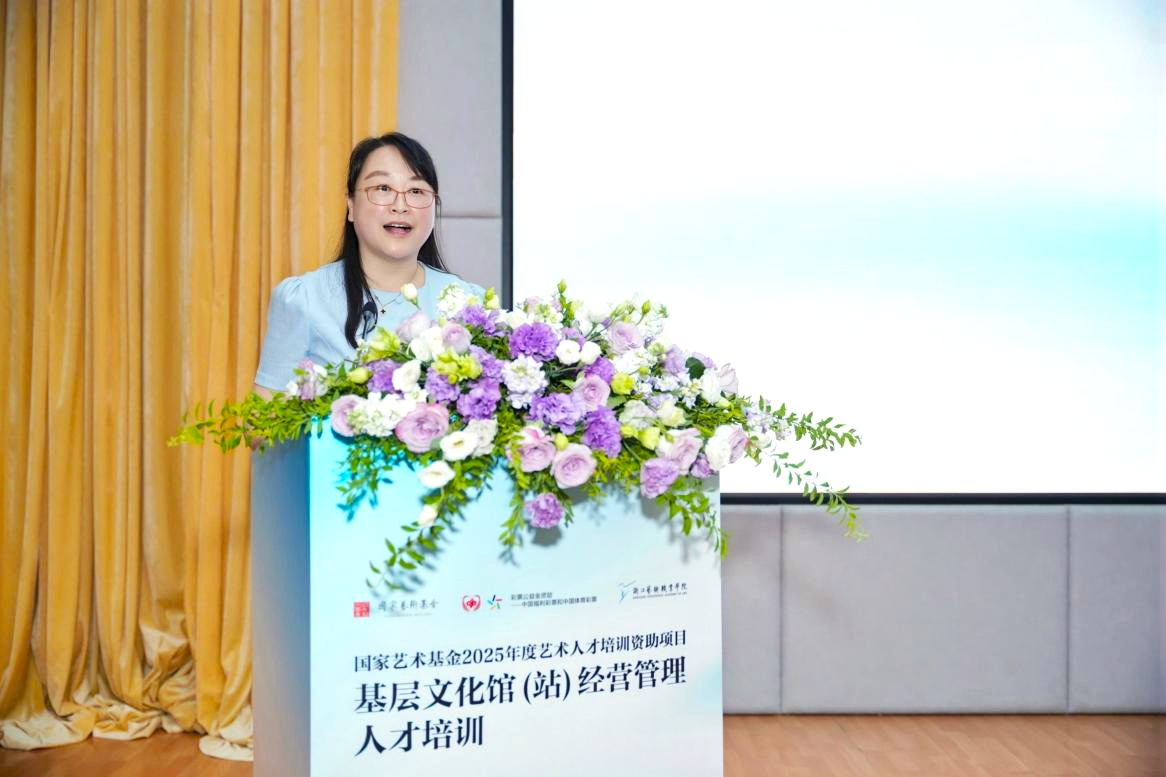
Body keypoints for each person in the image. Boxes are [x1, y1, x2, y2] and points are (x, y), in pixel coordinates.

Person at [252, 132, 485, 398]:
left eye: (416, 191)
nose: (400, 205)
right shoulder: (304, 299)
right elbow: (263, 419)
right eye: (383, 188)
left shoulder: (469, 305)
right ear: (351, 205)